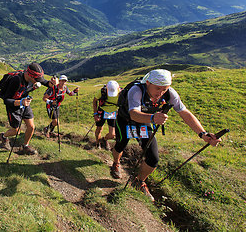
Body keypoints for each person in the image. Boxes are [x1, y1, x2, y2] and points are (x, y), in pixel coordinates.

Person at [110, 69, 221, 201]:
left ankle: (139, 181)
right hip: (125, 120)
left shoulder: (170, 94)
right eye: (157, 88)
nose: (161, 93)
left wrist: (203, 134)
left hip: (146, 122)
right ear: (148, 83)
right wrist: (153, 118)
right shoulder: (136, 90)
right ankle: (116, 163)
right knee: (120, 145)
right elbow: (134, 113)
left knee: (153, 158)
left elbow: (185, 113)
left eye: (165, 89)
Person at [0, 62, 57, 155]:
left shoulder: (34, 77)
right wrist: (20, 102)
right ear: (29, 75)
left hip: (25, 102)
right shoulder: (16, 80)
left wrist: (52, 83)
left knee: (31, 127)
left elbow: (46, 83)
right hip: (14, 106)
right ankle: (4, 136)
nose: (38, 81)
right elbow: (6, 100)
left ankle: (25, 146)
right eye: (36, 79)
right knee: (15, 131)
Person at [93, 81, 120, 150]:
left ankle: (104, 139)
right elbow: (94, 100)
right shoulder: (101, 92)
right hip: (102, 111)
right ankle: (97, 143)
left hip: (113, 113)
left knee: (112, 134)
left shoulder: (121, 93)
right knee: (99, 128)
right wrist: (95, 113)